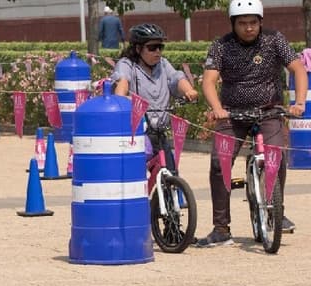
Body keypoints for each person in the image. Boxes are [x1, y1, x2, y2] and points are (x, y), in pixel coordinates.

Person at [198, 0, 306, 246]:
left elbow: (297, 69)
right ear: (233, 24)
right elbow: (209, 80)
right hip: (232, 114)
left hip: (269, 110)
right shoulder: (220, 46)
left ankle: (275, 210)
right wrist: (217, 109)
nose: (249, 28)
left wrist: (298, 102)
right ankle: (221, 227)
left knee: (275, 156)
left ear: (261, 22)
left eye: (253, 22)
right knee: (219, 162)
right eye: (242, 23)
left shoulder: (274, 39)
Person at [113, 24, 199, 174]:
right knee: (134, 176)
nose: (158, 52)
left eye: (160, 47)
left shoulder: (163, 64)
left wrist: (189, 91)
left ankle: (166, 195)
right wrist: (121, 98)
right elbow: (122, 82)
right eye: (152, 48)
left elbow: (176, 78)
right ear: (138, 49)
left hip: (158, 132)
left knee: (171, 173)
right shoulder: (127, 65)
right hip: (137, 134)